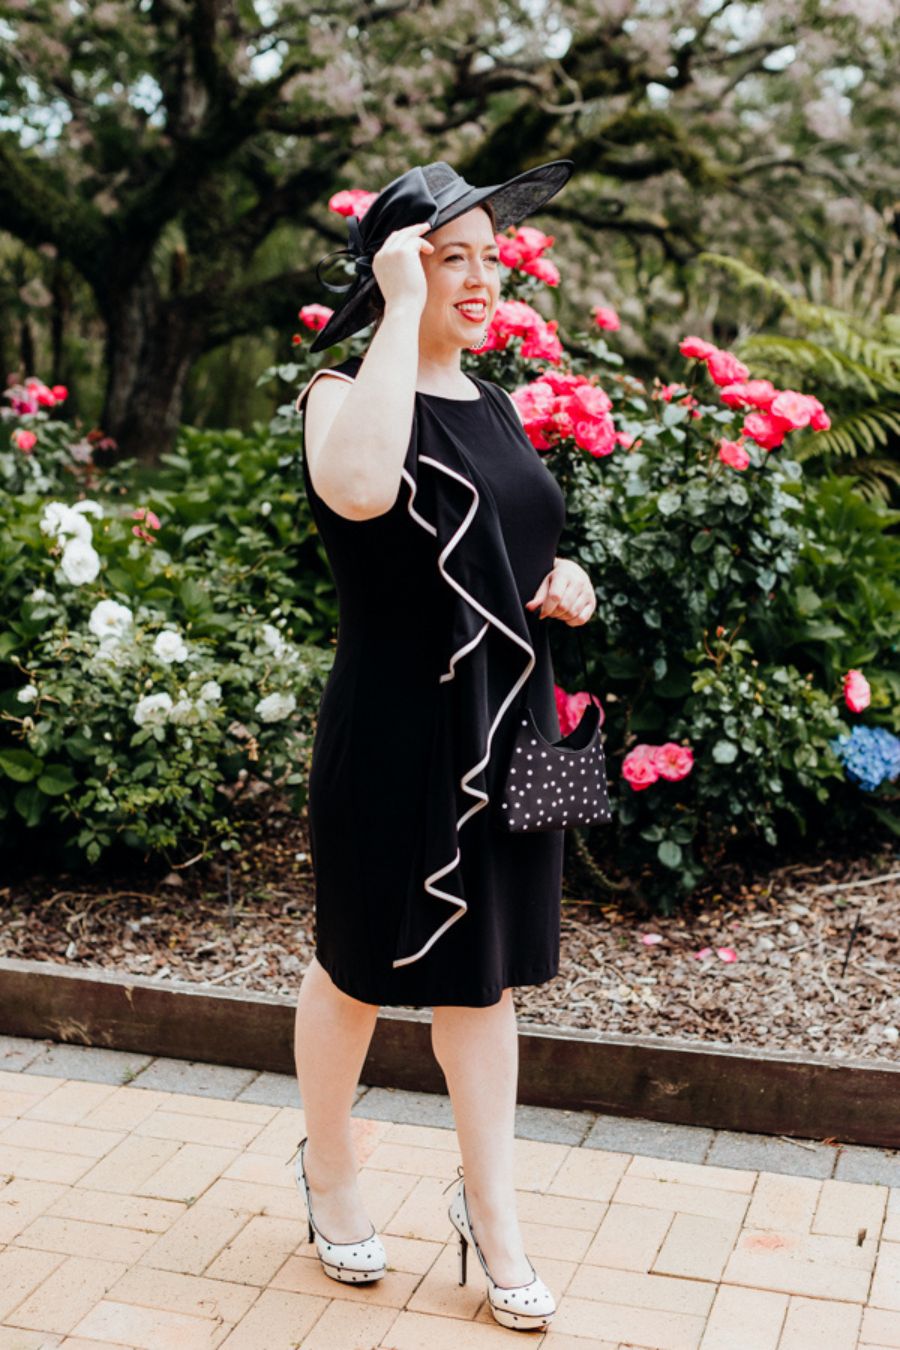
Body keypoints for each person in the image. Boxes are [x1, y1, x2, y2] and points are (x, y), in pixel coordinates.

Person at [290, 160, 597, 1332]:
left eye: (488, 255)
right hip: (394, 725)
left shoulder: (499, 399)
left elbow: (528, 550)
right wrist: (400, 316)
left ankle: (494, 1213)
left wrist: (569, 585)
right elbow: (364, 490)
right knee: (359, 965)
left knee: (494, 974)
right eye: (449, 254)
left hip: (520, 721)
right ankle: (331, 1177)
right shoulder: (340, 391)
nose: (482, 276)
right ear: (399, 266)